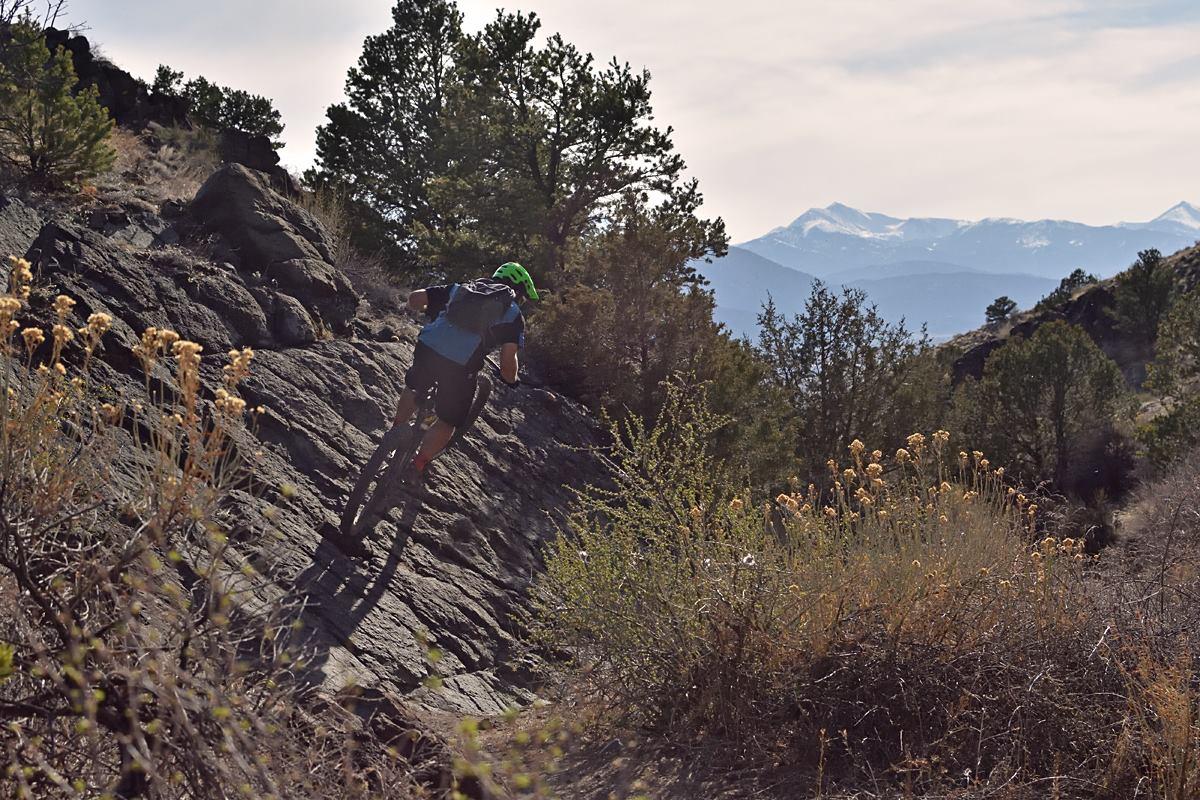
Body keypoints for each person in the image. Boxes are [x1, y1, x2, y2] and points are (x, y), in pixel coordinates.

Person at [393, 262, 538, 482]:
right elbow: (508, 362)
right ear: (518, 291)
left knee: (414, 387)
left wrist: (433, 314)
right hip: (461, 364)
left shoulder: (463, 288)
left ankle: (394, 433)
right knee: (448, 420)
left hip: (428, 346)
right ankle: (418, 464)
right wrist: (510, 379)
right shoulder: (513, 312)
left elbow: (415, 299)